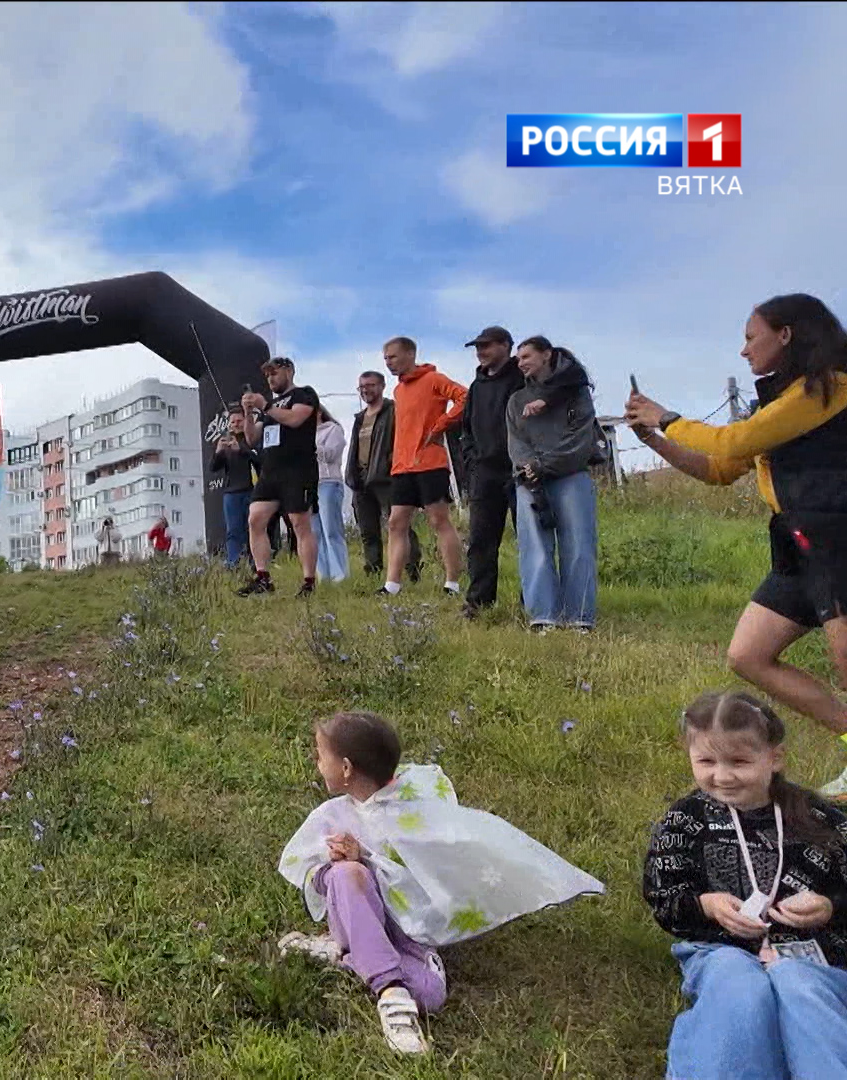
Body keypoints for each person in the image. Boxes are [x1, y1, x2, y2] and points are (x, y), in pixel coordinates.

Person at [277, 711, 604, 1056]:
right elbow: (314, 875)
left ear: (345, 769)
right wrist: (347, 862)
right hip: (357, 913)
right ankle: (390, 993)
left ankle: (349, 955)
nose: (315, 761)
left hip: (406, 929)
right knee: (348, 876)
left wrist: (369, 854)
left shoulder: (412, 806)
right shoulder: (335, 816)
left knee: (432, 995)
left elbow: (423, 873)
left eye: (319, 755)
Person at [628, 293, 847, 797]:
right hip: (798, 545)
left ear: (785, 335)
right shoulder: (776, 404)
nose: (744, 351)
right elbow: (718, 469)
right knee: (748, 655)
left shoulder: (827, 389)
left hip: (838, 536)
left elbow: (732, 442)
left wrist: (667, 416)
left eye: (751, 337)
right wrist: (656, 441)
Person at [642, 690, 847, 1080]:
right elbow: (662, 896)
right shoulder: (685, 820)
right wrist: (705, 904)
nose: (721, 776)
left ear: (775, 758)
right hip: (722, 949)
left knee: (798, 985)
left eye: (739, 761)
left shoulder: (821, 818)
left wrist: (829, 906)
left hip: (815, 958)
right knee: (739, 988)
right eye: (705, 761)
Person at [507, 336, 602, 633]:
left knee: (578, 545)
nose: (520, 362)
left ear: (547, 355)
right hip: (530, 481)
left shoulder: (576, 394)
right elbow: (516, 441)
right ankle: (543, 616)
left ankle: (579, 618)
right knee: (534, 546)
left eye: (526, 356)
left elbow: (580, 438)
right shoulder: (516, 400)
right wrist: (528, 469)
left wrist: (544, 465)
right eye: (518, 358)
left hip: (571, 475)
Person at [380, 337, 468, 597]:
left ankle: (452, 583)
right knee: (396, 523)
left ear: (410, 354)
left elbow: (464, 396)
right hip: (402, 466)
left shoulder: (434, 379)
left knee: (438, 519)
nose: (389, 362)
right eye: (385, 358)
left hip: (430, 462)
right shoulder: (397, 391)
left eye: (393, 357)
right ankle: (392, 585)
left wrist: (442, 423)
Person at [236, 358, 321, 597]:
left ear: (289, 371)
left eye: (275, 373)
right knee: (255, 519)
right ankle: (263, 577)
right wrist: (248, 413)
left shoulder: (304, 394)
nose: (271, 379)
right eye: (267, 376)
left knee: (299, 523)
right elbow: (252, 439)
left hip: (298, 469)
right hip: (271, 470)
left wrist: (266, 407)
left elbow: (296, 419)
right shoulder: (270, 405)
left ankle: (309, 582)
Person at [459, 326, 527, 620]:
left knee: (530, 538)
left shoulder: (523, 379)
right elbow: (466, 428)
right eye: (477, 346)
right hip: (485, 473)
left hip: (519, 470)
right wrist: (472, 458)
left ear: (506, 346)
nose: (480, 351)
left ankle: (534, 602)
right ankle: (478, 603)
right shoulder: (476, 386)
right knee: (481, 540)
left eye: (486, 345)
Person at [345, 372, 421, 584]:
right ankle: (373, 571)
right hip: (361, 479)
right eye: (361, 386)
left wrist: (391, 463)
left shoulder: (394, 411)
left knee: (399, 525)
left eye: (370, 385)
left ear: (382, 386)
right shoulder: (360, 418)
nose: (365, 390)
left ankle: (412, 568)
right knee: (368, 530)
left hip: (387, 478)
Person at [209, 421, 257, 571]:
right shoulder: (225, 444)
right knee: (233, 530)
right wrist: (218, 452)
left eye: (239, 421)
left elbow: (260, 462)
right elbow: (213, 468)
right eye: (233, 422)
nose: (236, 424)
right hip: (231, 493)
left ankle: (256, 561)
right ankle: (233, 563)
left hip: (251, 491)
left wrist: (241, 450)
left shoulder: (251, 440)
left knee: (254, 528)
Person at [314, 405, 349, 582]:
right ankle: (324, 575)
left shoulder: (332, 429)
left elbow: (332, 454)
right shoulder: (300, 434)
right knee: (315, 532)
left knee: (331, 530)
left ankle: (340, 575)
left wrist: (311, 446)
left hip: (328, 482)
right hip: (310, 485)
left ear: (319, 412)